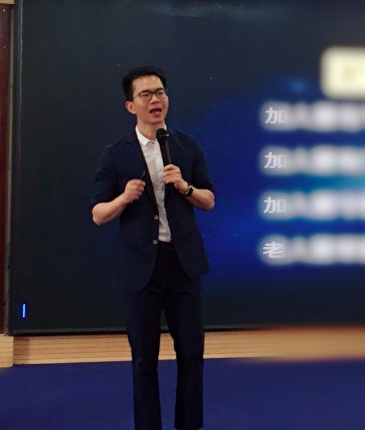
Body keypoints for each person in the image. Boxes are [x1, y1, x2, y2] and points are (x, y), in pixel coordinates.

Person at [90, 66, 215, 430]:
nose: (155, 100)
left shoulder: (187, 146)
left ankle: (189, 424)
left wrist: (185, 187)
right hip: (141, 268)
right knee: (144, 359)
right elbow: (98, 214)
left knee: (192, 354)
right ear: (131, 106)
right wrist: (124, 198)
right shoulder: (116, 154)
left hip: (183, 264)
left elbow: (209, 200)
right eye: (146, 94)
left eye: (160, 92)